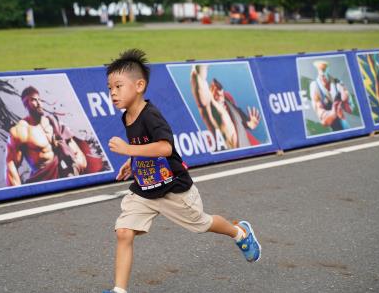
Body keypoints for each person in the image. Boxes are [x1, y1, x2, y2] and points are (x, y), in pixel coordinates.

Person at [103, 49, 261, 293]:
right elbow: (144, 146)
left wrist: (127, 149)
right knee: (124, 232)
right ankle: (119, 290)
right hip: (145, 190)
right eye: (110, 87)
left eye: (118, 86)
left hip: (172, 188)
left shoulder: (152, 116)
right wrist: (132, 160)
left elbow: (165, 148)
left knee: (202, 222)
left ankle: (239, 232)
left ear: (139, 85)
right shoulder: (127, 117)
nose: (112, 92)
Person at [5, 86, 86, 186]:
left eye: (40, 100)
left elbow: (77, 153)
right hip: (43, 183)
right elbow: (11, 165)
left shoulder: (55, 123)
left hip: (68, 178)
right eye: (34, 100)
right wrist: (18, 194)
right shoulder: (20, 131)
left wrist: (75, 168)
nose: (39, 103)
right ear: (26, 103)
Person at [191, 64, 261, 150]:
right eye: (214, 89)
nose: (217, 92)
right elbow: (199, 82)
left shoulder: (230, 105)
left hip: (243, 147)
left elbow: (240, 118)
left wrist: (249, 124)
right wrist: (201, 67)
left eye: (219, 90)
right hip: (227, 151)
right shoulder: (209, 107)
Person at [309, 60, 354, 131]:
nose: (323, 77)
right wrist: (333, 112)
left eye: (324, 73)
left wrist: (345, 99)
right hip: (329, 128)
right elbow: (323, 120)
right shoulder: (315, 87)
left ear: (328, 70)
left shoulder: (338, 83)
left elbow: (350, 110)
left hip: (343, 124)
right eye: (321, 75)